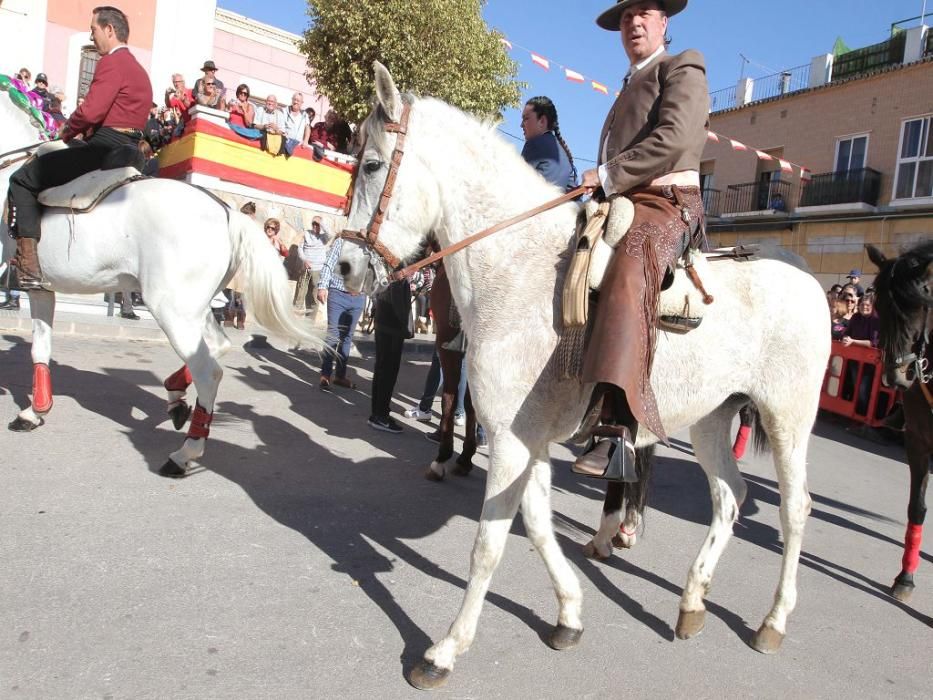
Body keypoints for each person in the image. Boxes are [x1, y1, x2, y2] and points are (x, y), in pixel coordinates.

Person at [573, 0, 709, 479]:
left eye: (644, 13)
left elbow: (673, 138)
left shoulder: (683, 65)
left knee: (630, 265)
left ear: (664, 22)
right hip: (625, 197)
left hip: (668, 200)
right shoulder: (629, 84)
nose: (633, 22)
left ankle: (618, 432)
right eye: (626, 17)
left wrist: (608, 175)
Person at [6, 6, 152, 290]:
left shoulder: (112, 62)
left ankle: (28, 265)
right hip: (132, 149)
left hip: (105, 147)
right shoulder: (139, 70)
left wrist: (68, 129)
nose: (91, 34)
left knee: (22, 180)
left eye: (94, 29)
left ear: (109, 30)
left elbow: (92, 110)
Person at [317, 238, 365, 392]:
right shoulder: (342, 242)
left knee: (347, 337)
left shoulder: (371, 246)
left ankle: (340, 376)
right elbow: (329, 263)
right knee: (333, 334)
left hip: (358, 297)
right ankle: (325, 375)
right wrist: (322, 286)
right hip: (338, 293)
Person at [368, 278, 414, 433]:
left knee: (381, 369)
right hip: (392, 326)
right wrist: (407, 326)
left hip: (384, 321)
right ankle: (380, 416)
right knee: (388, 371)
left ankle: (378, 413)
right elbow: (399, 304)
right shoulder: (398, 271)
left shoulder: (390, 269)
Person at [520, 96, 577, 191]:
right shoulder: (561, 151)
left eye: (526, 119)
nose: (521, 125)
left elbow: (516, 185)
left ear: (542, 121)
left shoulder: (535, 144)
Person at [293, 215, 329, 315]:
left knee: (313, 296)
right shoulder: (306, 234)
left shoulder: (323, 237)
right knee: (300, 292)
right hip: (306, 267)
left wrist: (321, 222)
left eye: (317, 224)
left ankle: (310, 320)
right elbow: (300, 249)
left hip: (317, 269)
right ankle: (295, 316)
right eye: (313, 224)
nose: (315, 226)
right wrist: (304, 260)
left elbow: (330, 234)